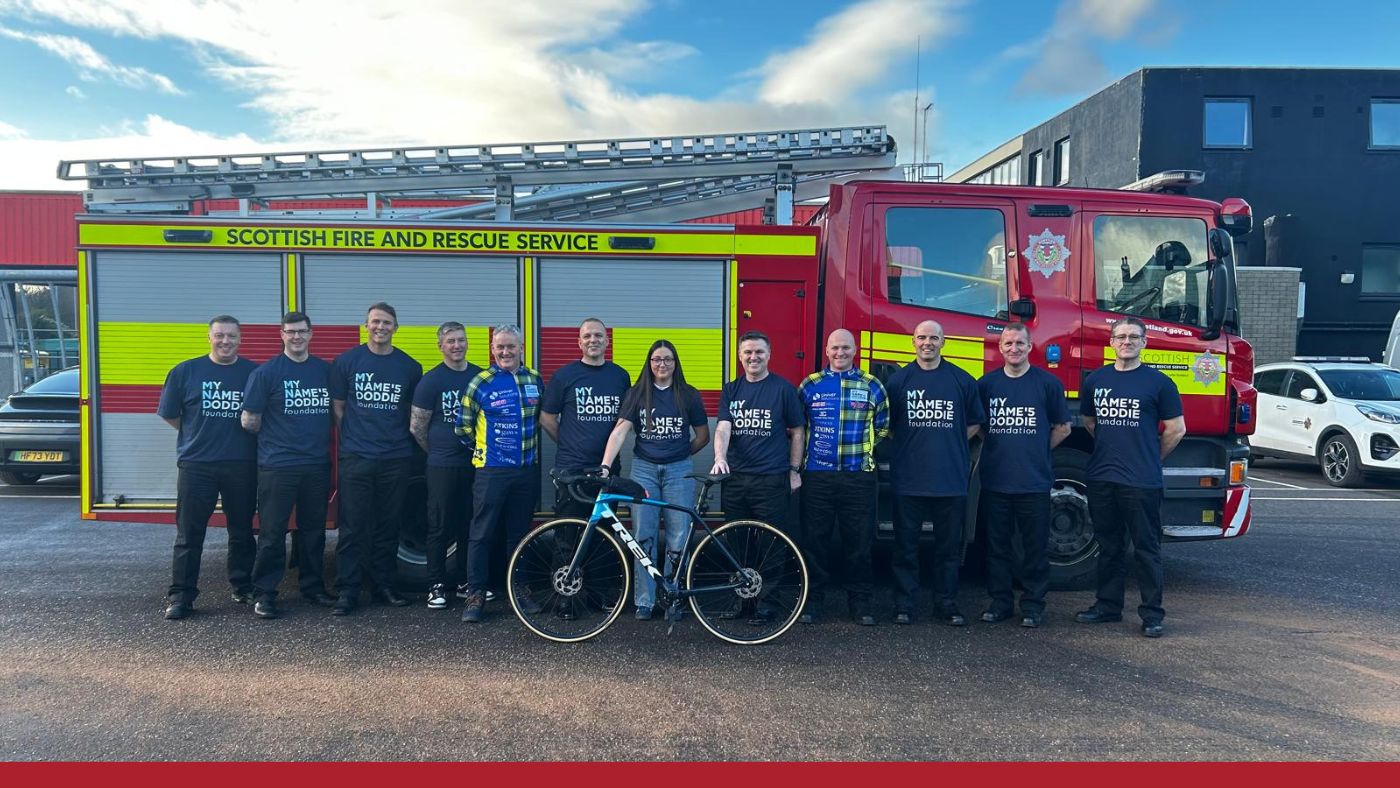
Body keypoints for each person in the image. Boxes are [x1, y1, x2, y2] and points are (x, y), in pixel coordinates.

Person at [1076, 316, 1185, 638]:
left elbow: (1177, 428)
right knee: (1108, 547)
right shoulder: (1095, 380)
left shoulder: (1159, 383)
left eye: (1133, 337)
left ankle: (1152, 615)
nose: (1127, 341)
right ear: (1111, 342)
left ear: (1144, 342)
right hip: (1102, 477)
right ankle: (1107, 607)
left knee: (1146, 549)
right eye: (1121, 336)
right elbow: (1089, 420)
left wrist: (1152, 458)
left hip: (1141, 481)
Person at [884, 319, 985, 626]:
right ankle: (904, 605)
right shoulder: (898, 382)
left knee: (948, 550)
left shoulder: (962, 381)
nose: (927, 342)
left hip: (950, 482)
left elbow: (975, 423)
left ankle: (947, 604)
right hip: (908, 480)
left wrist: (950, 439)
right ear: (912, 342)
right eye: (921, 337)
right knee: (905, 549)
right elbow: (887, 427)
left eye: (933, 338)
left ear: (944, 343)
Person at [599, 340, 710, 620]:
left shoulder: (688, 395)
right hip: (643, 470)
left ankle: (672, 596)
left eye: (668, 359)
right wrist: (605, 466)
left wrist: (681, 453)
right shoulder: (637, 394)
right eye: (657, 359)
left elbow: (702, 435)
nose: (662, 364)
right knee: (643, 536)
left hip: (678, 472)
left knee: (678, 535)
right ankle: (645, 601)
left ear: (676, 363)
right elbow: (619, 431)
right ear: (649, 363)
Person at [157, 315, 258, 620]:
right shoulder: (185, 371)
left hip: (241, 464)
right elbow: (171, 414)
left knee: (242, 531)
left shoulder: (254, 373)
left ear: (240, 339)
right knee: (189, 534)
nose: (225, 341)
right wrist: (195, 436)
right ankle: (181, 596)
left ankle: (242, 586)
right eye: (220, 336)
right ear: (209, 337)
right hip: (196, 465)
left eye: (232, 336)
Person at [328, 302, 422, 615]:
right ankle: (348, 590)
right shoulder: (347, 361)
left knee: (388, 525)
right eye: (375, 322)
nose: (380, 327)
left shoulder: (409, 367)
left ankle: (384, 586)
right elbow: (338, 406)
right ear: (366, 325)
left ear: (396, 328)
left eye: (386, 323)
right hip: (357, 457)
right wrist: (356, 437)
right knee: (353, 526)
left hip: (395, 457)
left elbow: (412, 412)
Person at [240, 311, 336, 619]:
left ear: (311, 334)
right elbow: (249, 420)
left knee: (313, 531)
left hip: (316, 465)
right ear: (281, 335)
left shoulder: (325, 371)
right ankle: (265, 594)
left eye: (302, 331)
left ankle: (312, 587)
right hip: (277, 466)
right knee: (272, 533)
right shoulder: (266, 373)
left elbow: (336, 413)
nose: (296, 337)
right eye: (290, 332)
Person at [976, 323, 1071, 629]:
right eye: (1008, 344)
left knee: (1035, 547)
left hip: (1034, 481)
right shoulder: (986, 385)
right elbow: (978, 425)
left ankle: (1032, 606)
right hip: (996, 480)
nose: (1014, 348)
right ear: (999, 348)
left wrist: (1037, 449)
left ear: (1030, 347)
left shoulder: (1048, 384)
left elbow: (1063, 427)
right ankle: (1000, 603)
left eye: (1020, 343)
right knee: (997, 547)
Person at [710, 330, 805, 623]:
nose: (753, 357)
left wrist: (794, 470)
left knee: (770, 544)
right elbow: (723, 427)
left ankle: (767, 605)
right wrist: (720, 458)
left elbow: (798, 431)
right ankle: (742, 603)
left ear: (769, 355)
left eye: (759, 352)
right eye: (748, 352)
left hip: (771, 478)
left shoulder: (783, 389)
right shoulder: (732, 389)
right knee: (737, 543)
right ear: (739, 356)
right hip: (736, 479)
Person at [796, 329, 889, 626]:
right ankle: (812, 601)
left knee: (859, 542)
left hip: (858, 476)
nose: (840, 353)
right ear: (826, 350)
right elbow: (798, 427)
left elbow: (884, 426)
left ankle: (860, 603)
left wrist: (864, 452)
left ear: (855, 350)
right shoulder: (810, 385)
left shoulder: (872, 385)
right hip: (817, 476)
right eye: (835, 347)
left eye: (846, 348)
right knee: (815, 541)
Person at [455, 325, 544, 623]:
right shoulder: (481, 382)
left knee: (519, 534)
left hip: (525, 471)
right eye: (499, 347)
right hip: (491, 471)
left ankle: (518, 589)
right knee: (481, 534)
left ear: (521, 348)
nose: (505, 352)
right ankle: (476, 594)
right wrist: (484, 452)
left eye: (511, 346)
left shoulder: (534, 380)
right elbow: (462, 428)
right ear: (492, 349)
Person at [410, 322, 483, 610]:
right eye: (451, 341)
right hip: (441, 465)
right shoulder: (431, 381)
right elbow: (417, 427)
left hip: (474, 463)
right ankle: (436, 585)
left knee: (469, 524)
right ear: (440, 345)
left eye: (461, 340)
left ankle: (465, 582)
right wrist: (439, 450)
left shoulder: (480, 377)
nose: (457, 345)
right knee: (438, 526)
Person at [541, 318, 630, 519]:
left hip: (608, 468)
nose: (593, 340)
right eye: (587, 336)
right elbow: (546, 418)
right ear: (579, 343)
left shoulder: (620, 376)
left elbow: (624, 422)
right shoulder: (564, 376)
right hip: (572, 469)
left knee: (605, 533)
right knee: (568, 532)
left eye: (598, 335)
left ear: (607, 341)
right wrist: (568, 443)